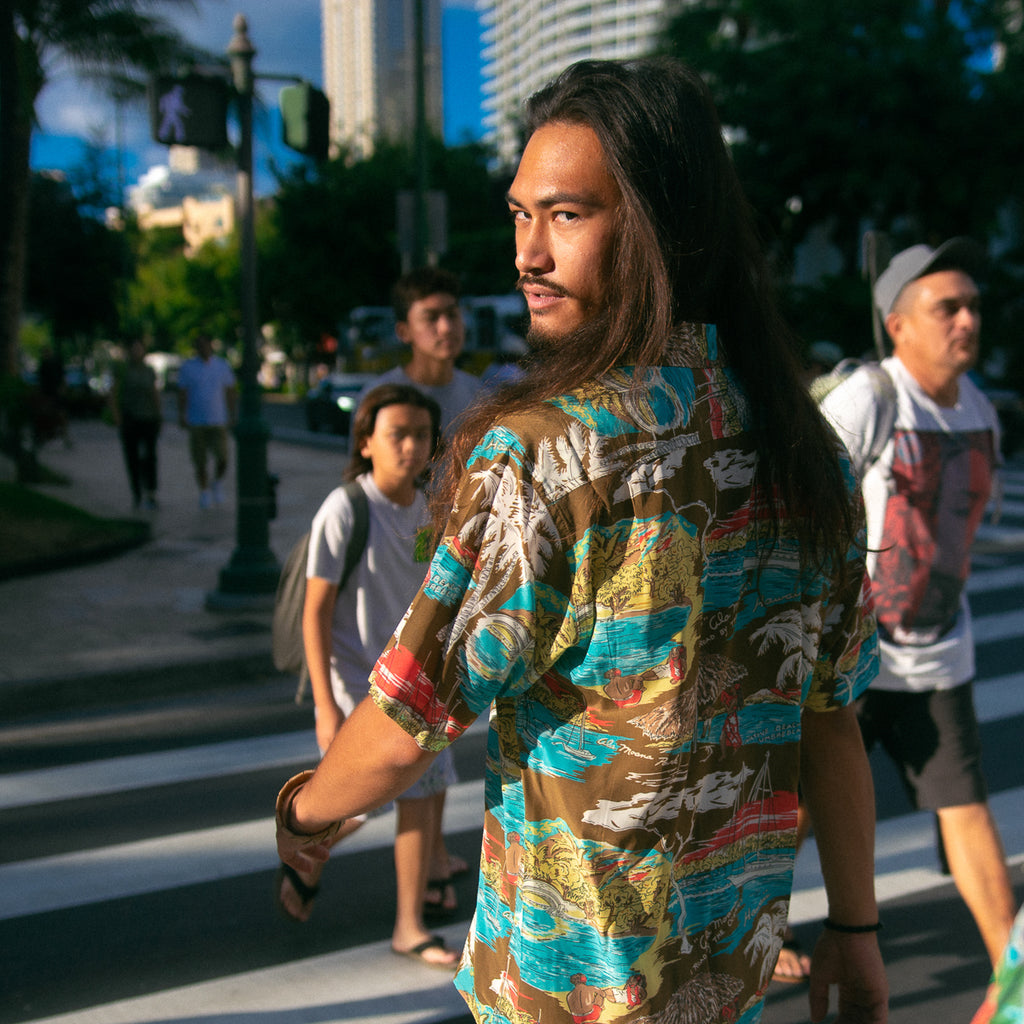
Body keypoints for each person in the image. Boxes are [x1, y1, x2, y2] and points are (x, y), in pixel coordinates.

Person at [277, 58, 888, 1023]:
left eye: (566, 215)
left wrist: (302, 816)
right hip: (724, 988)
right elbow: (832, 718)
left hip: (564, 997)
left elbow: (404, 725)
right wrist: (856, 930)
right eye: (521, 214)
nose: (527, 253)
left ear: (659, 226)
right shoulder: (804, 449)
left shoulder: (547, 455)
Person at [820, 238, 1018, 971]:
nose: (967, 320)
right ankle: (756, 944)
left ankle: (1013, 980)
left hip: (940, 652)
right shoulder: (871, 397)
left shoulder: (980, 410)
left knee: (967, 810)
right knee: (803, 809)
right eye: (948, 308)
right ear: (899, 323)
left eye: (973, 306)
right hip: (852, 659)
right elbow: (799, 500)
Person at [275, 382, 460, 968]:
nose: (410, 446)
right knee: (399, 793)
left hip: (412, 676)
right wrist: (325, 705)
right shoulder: (346, 508)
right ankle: (308, 839)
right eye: (397, 435)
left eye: (421, 435)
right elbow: (316, 611)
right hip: (358, 678)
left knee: (425, 793)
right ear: (366, 442)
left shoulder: (428, 505)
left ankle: (319, 852)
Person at [361, 267, 483, 437]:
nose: (446, 327)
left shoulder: (480, 396)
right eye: (431, 318)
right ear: (403, 332)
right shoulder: (380, 398)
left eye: (452, 314)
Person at [176, 333, 237, 509]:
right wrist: (182, 415)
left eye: (206, 344)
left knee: (223, 458)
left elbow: (230, 390)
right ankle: (204, 491)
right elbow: (182, 393)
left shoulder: (221, 365)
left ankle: (216, 482)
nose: (203, 349)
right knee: (200, 460)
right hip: (197, 421)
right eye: (199, 345)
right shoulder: (188, 367)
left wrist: (232, 414)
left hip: (218, 420)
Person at [111, 340, 162, 511]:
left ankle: (151, 491)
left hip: (148, 418)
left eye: (139, 349)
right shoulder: (123, 370)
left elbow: (154, 392)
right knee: (132, 457)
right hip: (130, 419)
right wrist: (117, 416)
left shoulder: (149, 370)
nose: (137, 352)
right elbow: (113, 392)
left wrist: (158, 414)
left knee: (150, 456)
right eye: (134, 349)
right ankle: (137, 492)